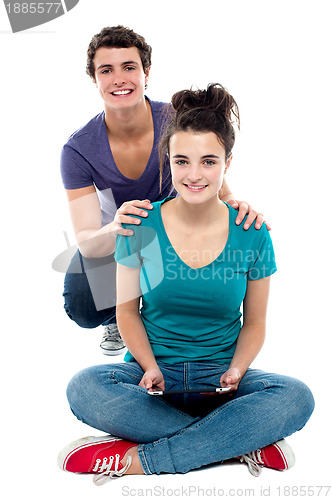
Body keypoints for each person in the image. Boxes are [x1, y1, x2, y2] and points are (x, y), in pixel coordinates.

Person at [57, 83, 314, 484]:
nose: (194, 175)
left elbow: (256, 323)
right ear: (168, 162)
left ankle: (139, 459)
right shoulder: (141, 226)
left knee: (297, 397)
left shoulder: (253, 232)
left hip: (223, 378)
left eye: (208, 161)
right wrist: (149, 366)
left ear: (227, 162)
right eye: (182, 161)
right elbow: (126, 311)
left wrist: (238, 369)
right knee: (85, 387)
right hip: (153, 377)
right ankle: (238, 442)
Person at [61, 26, 267, 355]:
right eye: (106, 70)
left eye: (129, 67)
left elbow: (219, 189)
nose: (119, 79)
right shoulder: (79, 149)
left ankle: (164, 315)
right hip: (122, 238)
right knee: (83, 304)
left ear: (146, 72)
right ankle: (121, 313)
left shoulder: (174, 120)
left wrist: (239, 210)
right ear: (95, 79)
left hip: (178, 234)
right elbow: (87, 239)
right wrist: (115, 227)